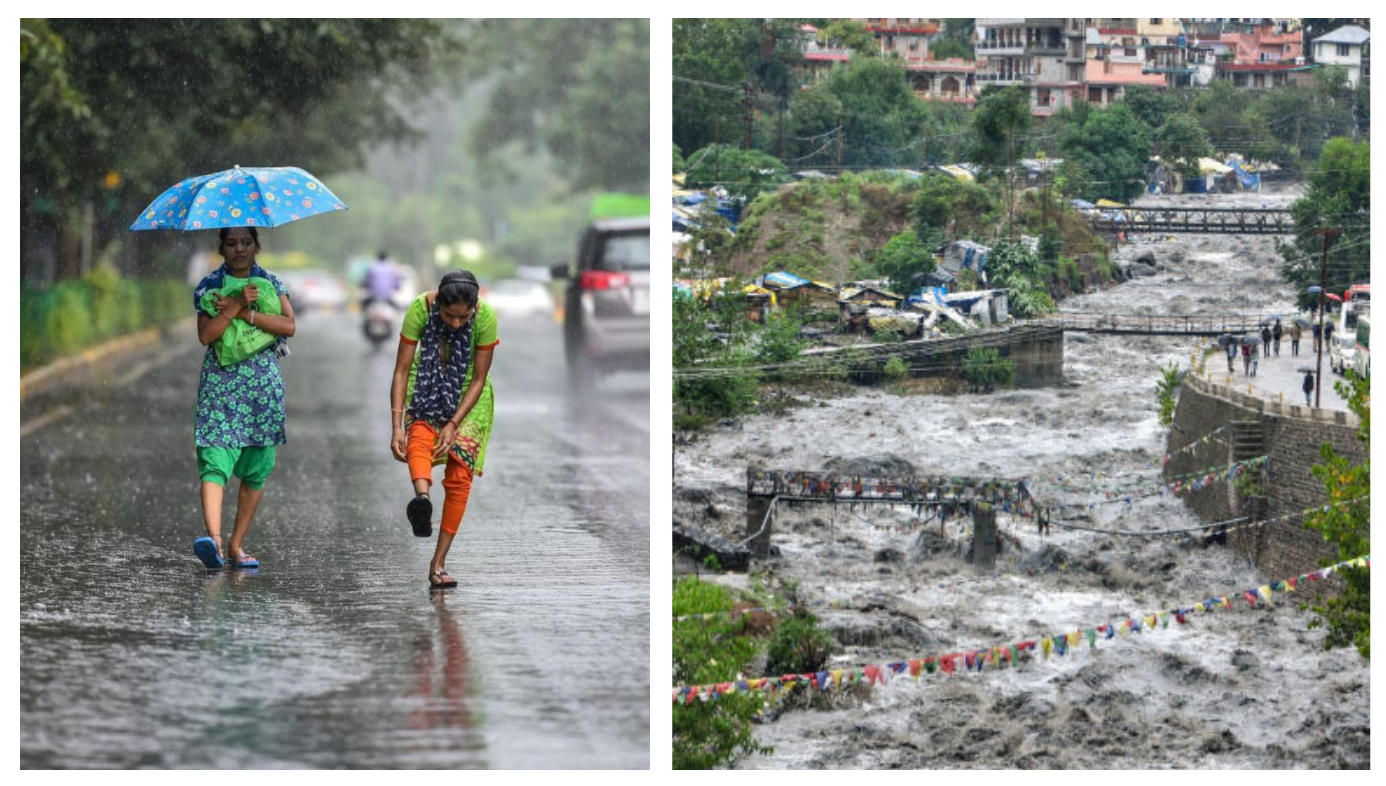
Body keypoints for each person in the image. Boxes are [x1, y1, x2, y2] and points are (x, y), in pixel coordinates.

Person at [190, 227, 296, 569]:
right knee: (215, 457)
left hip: (261, 388)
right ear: (221, 247)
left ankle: (237, 545)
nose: (240, 249)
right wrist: (232, 305)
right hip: (221, 386)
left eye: (246, 242)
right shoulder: (209, 287)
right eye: (232, 243)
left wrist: (248, 313)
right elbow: (206, 335)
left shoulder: (270, 283)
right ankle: (215, 542)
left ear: (256, 246)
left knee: (256, 467)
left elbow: (288, 326)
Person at [389, 270, 499, 589]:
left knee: (460, 474)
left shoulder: (486, 318)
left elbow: (478, 379)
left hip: (469, 396)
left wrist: (453, 423)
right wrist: (397, 426)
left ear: (475, 307)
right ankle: (422, 500)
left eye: (463, 317)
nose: (455, 323)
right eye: (449, 316)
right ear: (438, 303)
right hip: (426, 384)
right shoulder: (419, 311)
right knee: (419, 438)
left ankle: (438, 563)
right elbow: (401, 370)